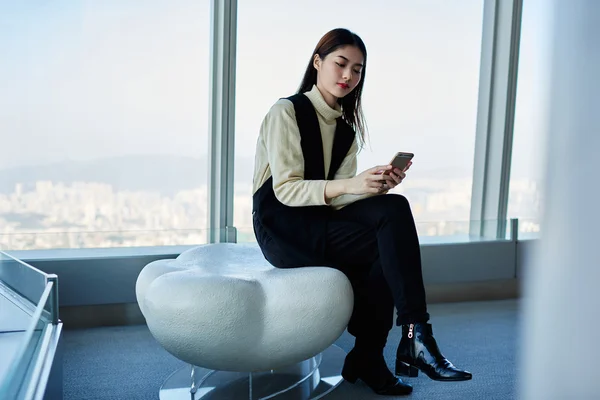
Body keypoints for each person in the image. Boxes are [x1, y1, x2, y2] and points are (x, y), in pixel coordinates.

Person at [252, 28, 472, 396]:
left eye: (357, 70)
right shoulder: (285, 112)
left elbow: (336, 200)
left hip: (320, 221)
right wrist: (352, 186)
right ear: (318, 62)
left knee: (392, 215)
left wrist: (373, 187)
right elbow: (287, 189)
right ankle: (386, 351)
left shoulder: (346, 131)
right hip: (282, 227)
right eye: (341, 64)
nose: (348, 76)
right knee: (385, 239)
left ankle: (406, 338)